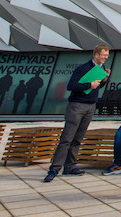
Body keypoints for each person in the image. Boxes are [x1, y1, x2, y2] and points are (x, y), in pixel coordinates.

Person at [44, 45, 111, 183]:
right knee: (67, 138)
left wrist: (104, 80)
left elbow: (97, 86)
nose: (106, 57)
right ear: (96, 54)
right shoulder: (82, 69)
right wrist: (89, 85)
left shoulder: (102, 68)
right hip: (77, 106)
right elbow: (71, 86)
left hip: (90, 106)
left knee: (78, 138)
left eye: (107, 55)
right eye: (104, 55)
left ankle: (70, 166)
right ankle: (54, 169)